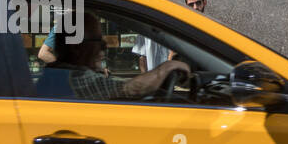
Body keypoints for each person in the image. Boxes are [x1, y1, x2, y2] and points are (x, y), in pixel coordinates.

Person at [50, 14, 190, 101]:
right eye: (98, 41)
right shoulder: (76, 79)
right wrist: (167, 67)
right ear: (76, 48)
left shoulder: (56, 73)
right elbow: (131, 89)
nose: (104, 47)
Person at [133, 0, 173, 71]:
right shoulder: (144, 28)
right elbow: (142, 58)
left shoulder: (172, 27)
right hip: (153, 77)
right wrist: (145, 79)